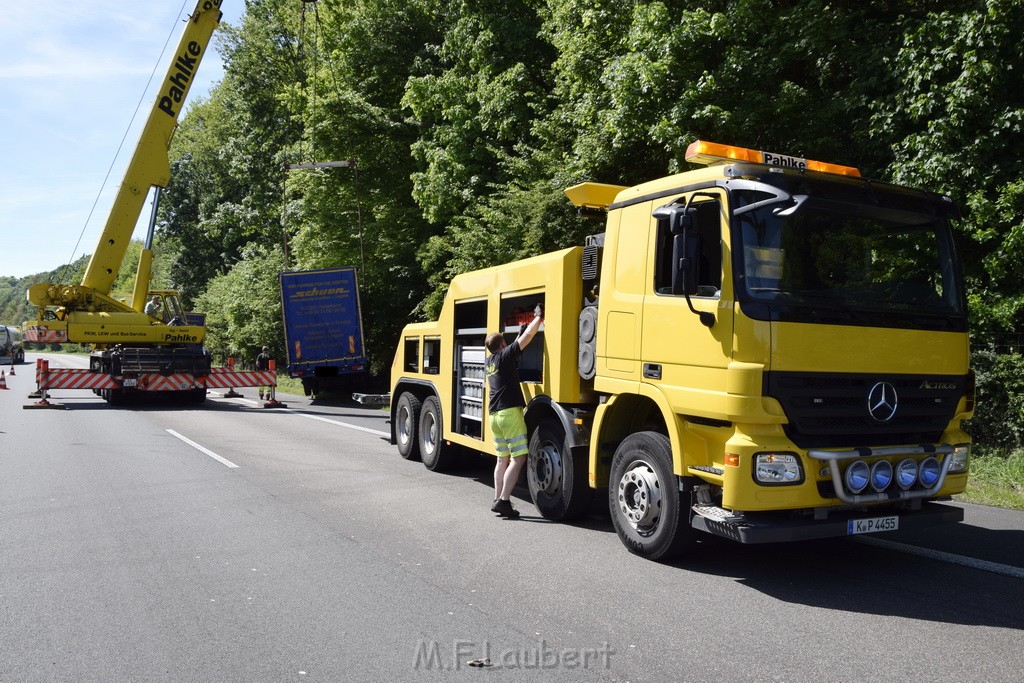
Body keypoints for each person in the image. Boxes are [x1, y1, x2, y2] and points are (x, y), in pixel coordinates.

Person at [485, 304, 544, 518]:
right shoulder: (504, 356)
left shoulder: (490, 361)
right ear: (502, 344)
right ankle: (504, 501)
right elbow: (528, 337)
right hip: (509, 414)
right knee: (518, 458)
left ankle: (497, 497)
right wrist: (538, 317)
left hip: (494, 416)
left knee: (502, 459)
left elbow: (511, 349)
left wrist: (516, 336)